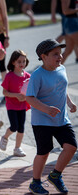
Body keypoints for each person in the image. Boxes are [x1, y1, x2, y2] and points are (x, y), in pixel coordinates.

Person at [26, 39, 77, 194]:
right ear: (44, 56)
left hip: (61, 119)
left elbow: (62, 87)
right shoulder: (37, 75)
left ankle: (55, 175)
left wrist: (70, 102)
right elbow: (30, 98)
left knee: (71, 147)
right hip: (42, 121)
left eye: (60, 54)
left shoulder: (61, 69)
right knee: (43, 153)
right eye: (55, 54)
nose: (60, 57)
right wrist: (46, 109)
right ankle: (35, 183)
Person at [0, 50, 30, 157]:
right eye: (19, 61)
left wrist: (26, 97)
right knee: (14, 126)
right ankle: (5, 137)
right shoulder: (9, 76)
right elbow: (4, 92)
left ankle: (17, 148)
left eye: (23, 61)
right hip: (11, 105)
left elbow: (31, 91)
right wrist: (16, 95)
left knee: (21, 127)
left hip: (22, 105)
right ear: (13, 62)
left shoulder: (27, 76)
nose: (22, 64)